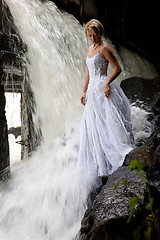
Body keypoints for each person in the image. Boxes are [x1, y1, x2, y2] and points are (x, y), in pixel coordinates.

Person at [77, 19, 134, 186]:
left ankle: (116, 158)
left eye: (95, 35)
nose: (93, 38)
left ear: (100, 33)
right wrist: (83, 90)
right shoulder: (90, 49)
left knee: (108, 123)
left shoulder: (105, 48)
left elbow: (117, 68)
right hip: (92, 93)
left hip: (103, 89)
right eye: (90, 35)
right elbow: (88, 72)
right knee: (95, 126)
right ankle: (100, 165)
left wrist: (108, 83)